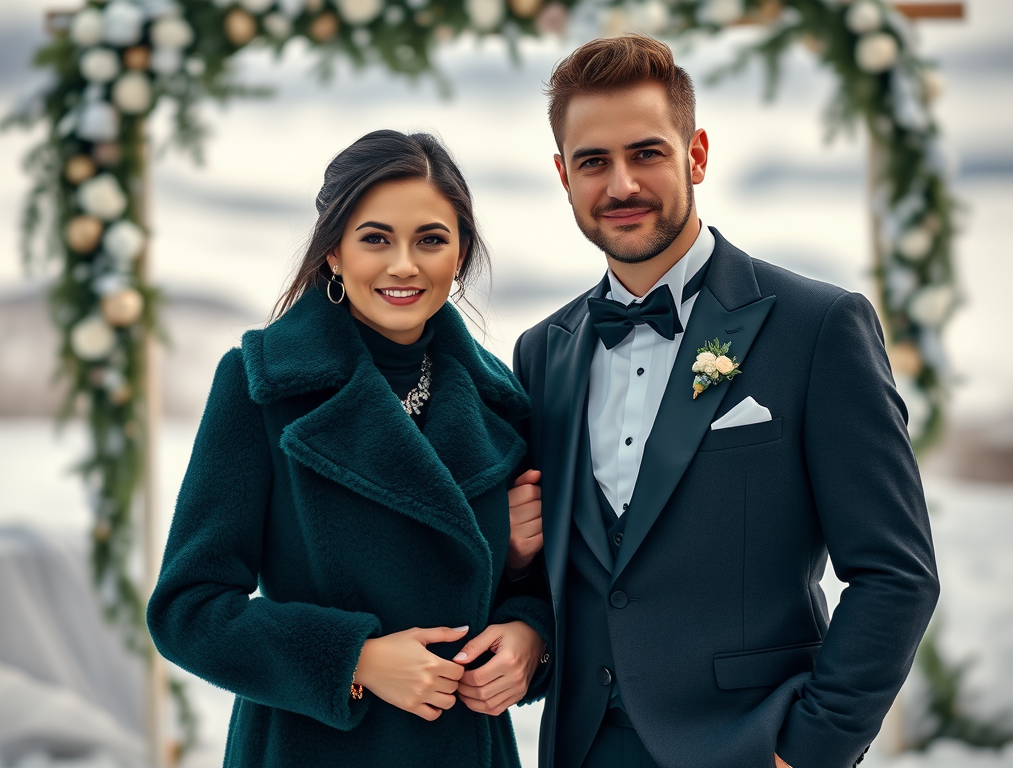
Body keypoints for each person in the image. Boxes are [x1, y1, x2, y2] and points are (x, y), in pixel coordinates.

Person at [507, 35, 940, 768]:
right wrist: (519, 561)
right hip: (581, 749)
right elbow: (573, 579)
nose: (620, 185)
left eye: (646, 153)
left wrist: (809, 748)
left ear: (696, 155)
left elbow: (896, 573)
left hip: (750, 744)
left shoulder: (818, 328)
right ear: (563, 176)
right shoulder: (542, 352)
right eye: (593, 162)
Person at [146, 129, 552, 768]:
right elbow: (187, 610)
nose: (403, 265)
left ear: (461, 253)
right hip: (308, 746)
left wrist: (531, 633)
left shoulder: (501, 402)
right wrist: (354, 660)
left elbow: (540, 588)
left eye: (431, 240)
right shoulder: (263, 387)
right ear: (333, 251)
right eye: (375, 238)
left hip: (463, 748)